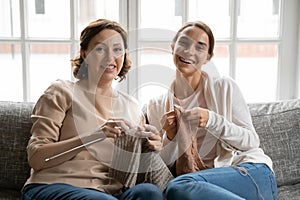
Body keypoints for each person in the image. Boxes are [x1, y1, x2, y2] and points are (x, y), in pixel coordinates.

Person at [21, 19, 166, 200]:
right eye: (100, 49)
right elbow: (37, 158)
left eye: (117, 49)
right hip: (54, 185)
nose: (110, 57)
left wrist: (152, 147)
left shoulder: (133, 107)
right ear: (84, 53)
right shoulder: (61, 92)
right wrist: (93, 137)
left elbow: (133, 170)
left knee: (149, 192)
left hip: (110, 193)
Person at [145, 21, 278, 200]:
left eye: (199, 47)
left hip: (251, 172)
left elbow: (251, 141)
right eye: (183, 43)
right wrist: (169, 137)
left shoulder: (225, 88)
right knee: (177, 188)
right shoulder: (156, 106)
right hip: (200, 186)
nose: (189, 51)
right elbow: (162, 167)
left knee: (179, 187)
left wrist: (212, 120)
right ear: (173, 47)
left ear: (208, 57)